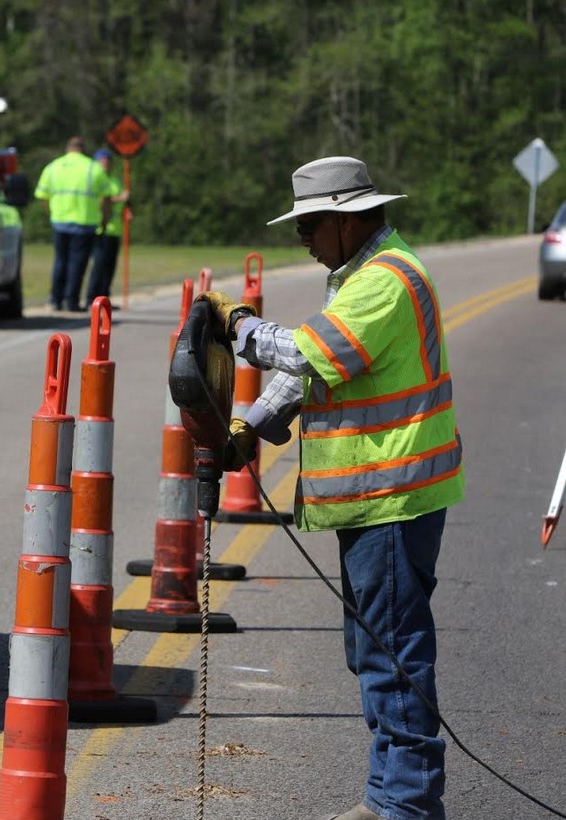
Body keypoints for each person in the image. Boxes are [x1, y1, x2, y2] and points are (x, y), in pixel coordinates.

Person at [197, 156, 464, 820]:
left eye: (308, 227)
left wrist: (241, 326)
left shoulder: (385, 281)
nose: (304, 241)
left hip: (391, 496)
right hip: (375, 496)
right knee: (372, 650)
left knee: (393, 656)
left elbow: (308, 352)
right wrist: (255, 423)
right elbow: (319, 369)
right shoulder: (359, 277)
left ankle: (406, 804)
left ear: (346, 221)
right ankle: (389, 796)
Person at [34, 136, 111, 311]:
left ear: (68, 148)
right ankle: (71, 300)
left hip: (59, 221)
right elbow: (106, 198)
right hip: (84, 222)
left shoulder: (53, 167)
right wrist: (104, 220)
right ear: (83, 149)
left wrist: (51, 214)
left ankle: (55, 299)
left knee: (60, 261)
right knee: (78, 263)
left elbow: (42, 196)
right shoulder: (93, 168)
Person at [85, 148, 129, 304]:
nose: (105, 164)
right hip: (101, 228)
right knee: (99, 266)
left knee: (110, 266)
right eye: (102, 161)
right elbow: (102, 200)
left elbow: (121, 201)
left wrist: (126, 208)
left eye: (108, 161)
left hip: (115, 229)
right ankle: (92, 298)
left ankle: (105, 299)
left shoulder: (115, 181)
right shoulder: (96, 179)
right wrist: (119, 198)